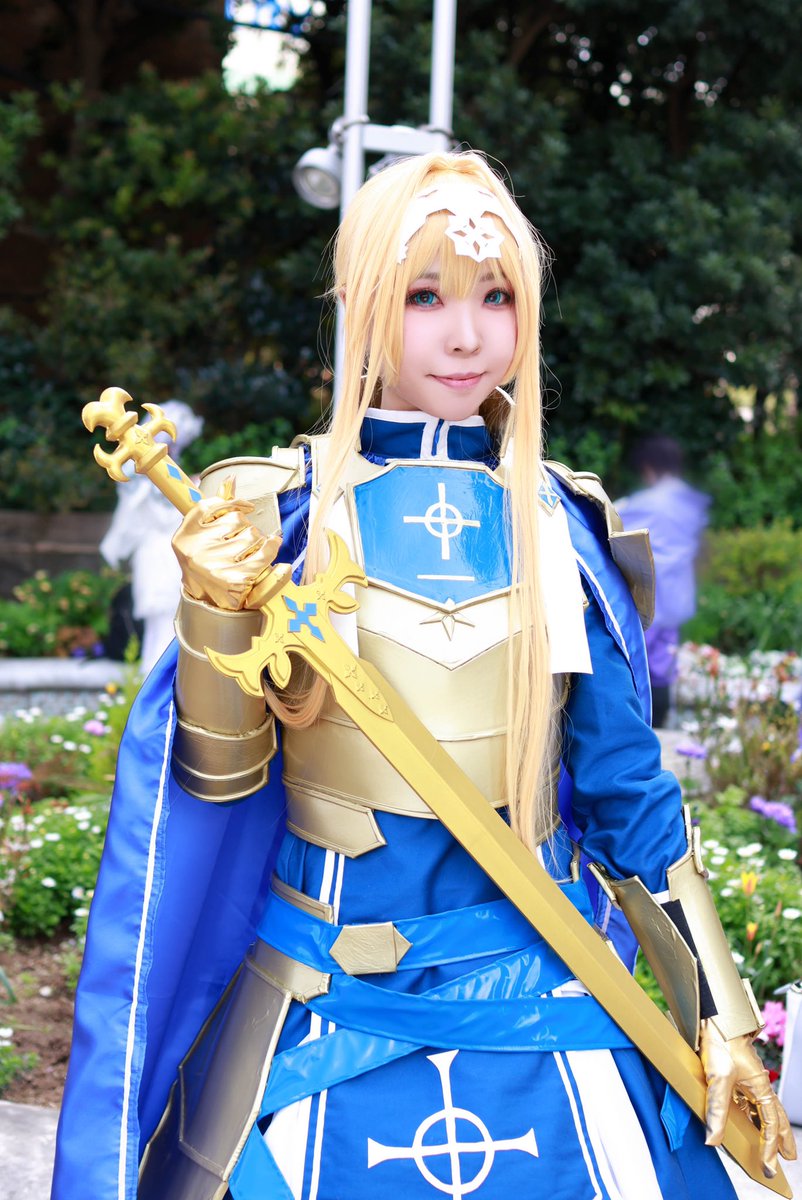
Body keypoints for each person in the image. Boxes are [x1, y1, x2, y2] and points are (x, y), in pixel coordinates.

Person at [52, 151, 795, 1200]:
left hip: (546, 1002)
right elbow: (217, 784)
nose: (466, 335)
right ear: (362, 303)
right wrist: (217, 614)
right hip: (314, 996)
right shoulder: (272, 513)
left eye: (497, 297)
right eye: (425, 297)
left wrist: (720, 1016)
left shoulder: (560, 525)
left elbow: (627, 793)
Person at [99, 399, 205, 675]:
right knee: (163, 626)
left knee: (173, 625)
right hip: (159, 556)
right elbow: (163, 514)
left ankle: (162, 683)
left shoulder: (159, 474)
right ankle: (156, 685)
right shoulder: (142, 477)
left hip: (172, 554)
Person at [616, 437, 710, 728]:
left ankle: (641, 727)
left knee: (638, 661)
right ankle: (661, 725)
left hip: (650, 592)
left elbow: (615, 521)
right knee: (663, 663)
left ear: (648, 467)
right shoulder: (691, 501)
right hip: (677, 594)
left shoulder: (647, 503)